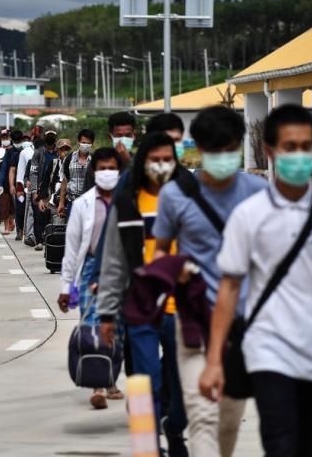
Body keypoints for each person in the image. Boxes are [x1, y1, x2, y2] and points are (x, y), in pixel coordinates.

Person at [199, 104, 312, 457]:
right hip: (268, 348)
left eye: (306, 147)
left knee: (309, 445)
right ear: (270, 150)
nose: (299, 155)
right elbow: (229, 287)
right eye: (289, 147)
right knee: (280, 443)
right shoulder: (249, 215)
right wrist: (215, 360)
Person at [150, 107, 267, 457]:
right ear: (199, 149)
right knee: (201, 418)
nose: (223, 157)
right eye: (215, 150)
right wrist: (175, 268)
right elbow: (158, 253)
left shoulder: (259, 192)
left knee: (228, 423)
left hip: (244, 327)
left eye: (231, 149)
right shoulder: (176, 195)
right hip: (194, 324)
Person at [97, 132, 188, 456]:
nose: (161, 166)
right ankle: (150, 446)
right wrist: (106, 313)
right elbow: (113, 261)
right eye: (154, 160)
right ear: (142, 163)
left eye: (168, 160)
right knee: (145, 380)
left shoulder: (189, 199)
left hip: (183, 310)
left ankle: (174, 428)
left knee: (181, 390)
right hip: (142, 310)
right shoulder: (127, 203)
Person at [58, 146, 125, 409]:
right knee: (93, 325)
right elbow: (72, 248)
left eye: (112, 168)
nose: (107, 173)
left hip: (120, 270)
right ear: (93, 172)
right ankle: (97, 385)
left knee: (116, 327)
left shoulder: (127, 201)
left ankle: (111, 379)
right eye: (102, 168)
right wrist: (66, 286)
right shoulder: (82, 204)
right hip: (90, 269)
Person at [30, 130, 59, 251]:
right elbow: (33, 173)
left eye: (52, 136)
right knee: (39, 214)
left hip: (55, 188)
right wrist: (34, 191)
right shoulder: (38, 153)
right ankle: (39, 240)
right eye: (48, 136)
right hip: (42, 187)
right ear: (45, 138)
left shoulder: (60, 152)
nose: (50, 138)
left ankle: (52, 239)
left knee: (53, 215)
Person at [59, 129, 95, 220]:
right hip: (72, 203)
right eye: (83, 142)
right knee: (72, 232)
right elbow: (64, 181)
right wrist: (61, 203)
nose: (85, 145)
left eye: (88, 143)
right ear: (78, 142)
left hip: (90, 204)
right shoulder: (69, 159)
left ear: (92, 144)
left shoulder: (95, 160)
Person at [43, 138, 73, 226]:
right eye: (62, 149)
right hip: (56, 200)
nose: (65, 152)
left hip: (71, 199)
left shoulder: (74, 164)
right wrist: (42, 199)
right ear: (57, 150)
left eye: (67, 149)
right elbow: (45, 182)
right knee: (58, 226)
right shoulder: (54, 163)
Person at [10, 133, 32, 241]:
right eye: (25, 139)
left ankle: (30, 231)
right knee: (20, 209)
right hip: (20, 187)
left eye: (28, 139)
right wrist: (14, 186)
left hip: (32, 186)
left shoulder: (35, 152)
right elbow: (13, 170)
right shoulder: (17, 154)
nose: (26, 141)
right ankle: (20, 231)